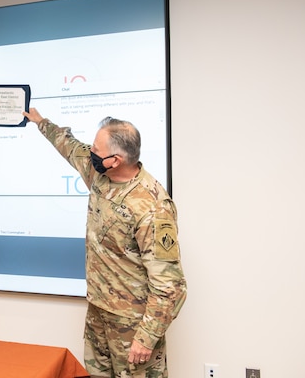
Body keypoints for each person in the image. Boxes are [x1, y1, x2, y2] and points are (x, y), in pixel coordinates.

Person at [23, 107, 187, 378]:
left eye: (96, 150)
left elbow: (171, 286)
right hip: (99, 312)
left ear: (116, 160)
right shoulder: (100, 173)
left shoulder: (152, 206)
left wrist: (147, 337)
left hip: (133, 325)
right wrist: (41, 122)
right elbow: (70, 146)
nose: (90, 153)